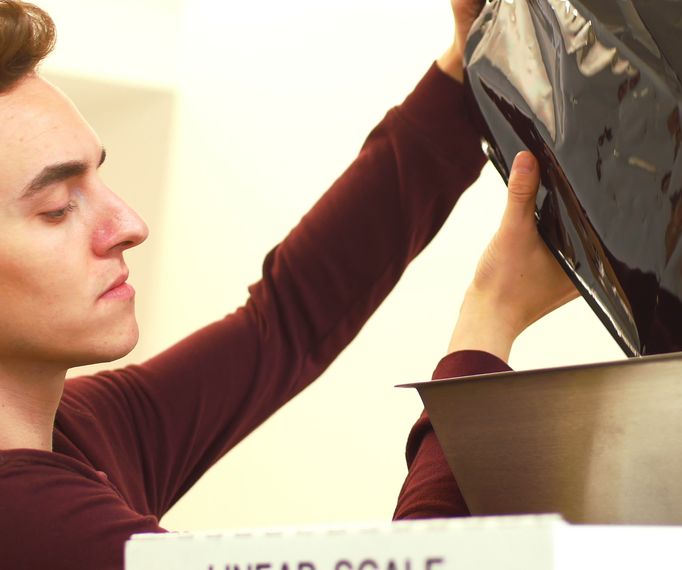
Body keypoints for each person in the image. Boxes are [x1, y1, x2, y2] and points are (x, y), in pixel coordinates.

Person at [0, 0, 576, 567]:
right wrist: (487, 324)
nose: (130, 225)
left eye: (100, 177)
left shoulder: (79, 429)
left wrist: (462, 73)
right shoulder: (27, 524)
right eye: (56, 208)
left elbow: (283, 324)